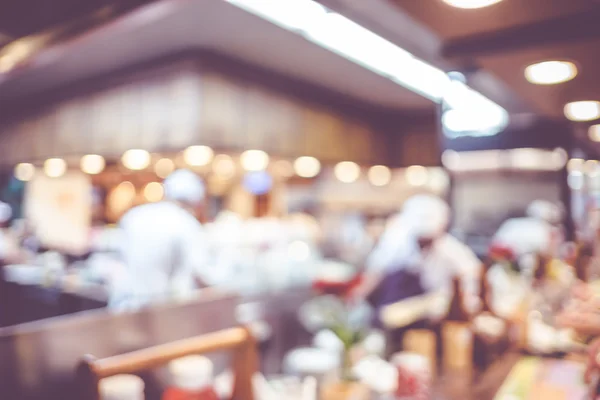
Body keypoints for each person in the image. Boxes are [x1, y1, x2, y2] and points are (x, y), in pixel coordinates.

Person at [351, 194, 481, 327]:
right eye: (420, 240)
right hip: (395, 309)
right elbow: (374, 274)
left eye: (428, 240)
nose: (423, 244)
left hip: (435, 312)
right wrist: (356, 300)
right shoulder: (395, 243)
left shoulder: (453, 251)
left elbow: (472, 279)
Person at [109, 170, 212, 311]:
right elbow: (201, 272)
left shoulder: (134, 215)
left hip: (123, 305)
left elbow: (115, 260)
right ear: (195, 202)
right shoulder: (186, 223)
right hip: (159, 310)